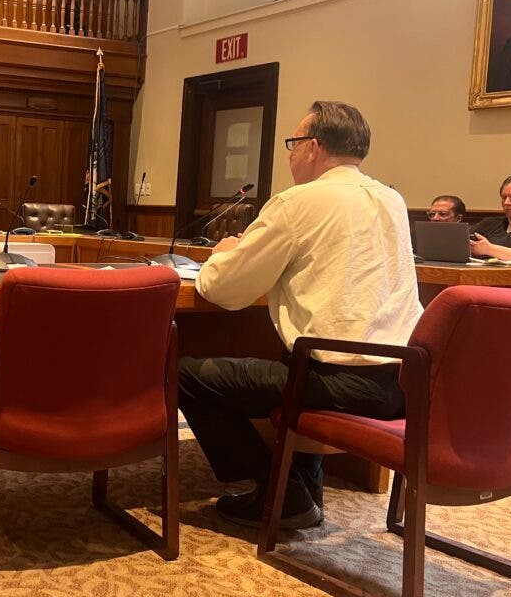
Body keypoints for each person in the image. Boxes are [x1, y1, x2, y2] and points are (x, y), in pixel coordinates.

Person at [178, 101, 422, 530]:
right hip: (404, 382)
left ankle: (283, 492)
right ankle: (303, 490)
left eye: (293, 144)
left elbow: (223, 289)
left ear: (313, 146)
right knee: (300, 355)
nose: (290, 154)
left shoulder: (299, 202)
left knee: (186, 375)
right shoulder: (392, 199)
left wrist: (225, 253)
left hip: (339, 383)